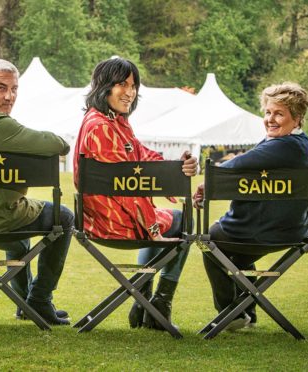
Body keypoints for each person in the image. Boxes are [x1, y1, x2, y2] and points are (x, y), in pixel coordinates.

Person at [73, 57, 197, 330]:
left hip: (105, 217)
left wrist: (178, 165)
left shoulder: (112, 121)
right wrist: (152, 227)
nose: (130, 92)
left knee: (171, 219)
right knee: (182, 221)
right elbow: (128, 188)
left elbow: (141, 156)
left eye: (133, 85)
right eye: (121, 84)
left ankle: (143, 304)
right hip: (110, 221)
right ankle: (157, 305)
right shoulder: (102, 127)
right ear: (103, 86)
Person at [0, 58, 74, 326]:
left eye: (15, 89)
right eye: (1, 88)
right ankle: (40, 300)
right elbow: (57, 144)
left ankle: (23, 304)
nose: (9, 96)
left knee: (19, 242)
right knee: (64, 218)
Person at [193, 82, 308, 331]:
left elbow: (239, 164)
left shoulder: (285, 146)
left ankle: (231, 312)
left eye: (279, 113)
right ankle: (245, 309)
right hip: (291, 230)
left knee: (211, 240)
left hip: (263, 230)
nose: (270, 119)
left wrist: (209, 181)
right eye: (268, 112)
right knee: (235, 256)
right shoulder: (299, 144)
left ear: (297, 118)